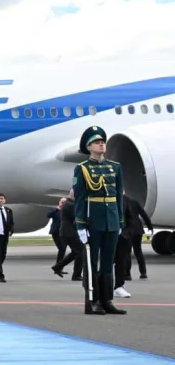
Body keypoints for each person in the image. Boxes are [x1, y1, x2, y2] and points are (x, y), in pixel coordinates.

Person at [72, 126, 125, 315]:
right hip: (93, 221)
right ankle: (92, 301)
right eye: (96, 142)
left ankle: (107, 300)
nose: (101, 144)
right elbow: (79, 199)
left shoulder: (114, 167)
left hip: (111, 220)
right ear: (88, 147)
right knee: (91, 261)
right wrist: (80, 224)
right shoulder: (82, 169)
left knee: (108, 261)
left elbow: (119, 195)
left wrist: (120, 221)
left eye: (102, 141)